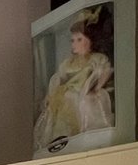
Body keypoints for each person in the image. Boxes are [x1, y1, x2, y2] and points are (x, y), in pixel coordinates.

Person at [34, 8, 114, 152]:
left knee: (83, 100)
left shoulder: (96, 59)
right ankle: (62, 139)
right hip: (66, 94)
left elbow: (105, 71)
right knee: (62, 103)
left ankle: (85, 135)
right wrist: (50, 95)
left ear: (90, 41)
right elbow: (58, 78)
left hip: (86, 93)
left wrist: (96, 87)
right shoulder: (68, 63)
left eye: (79, 40)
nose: (74, 44)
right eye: (73, 40)